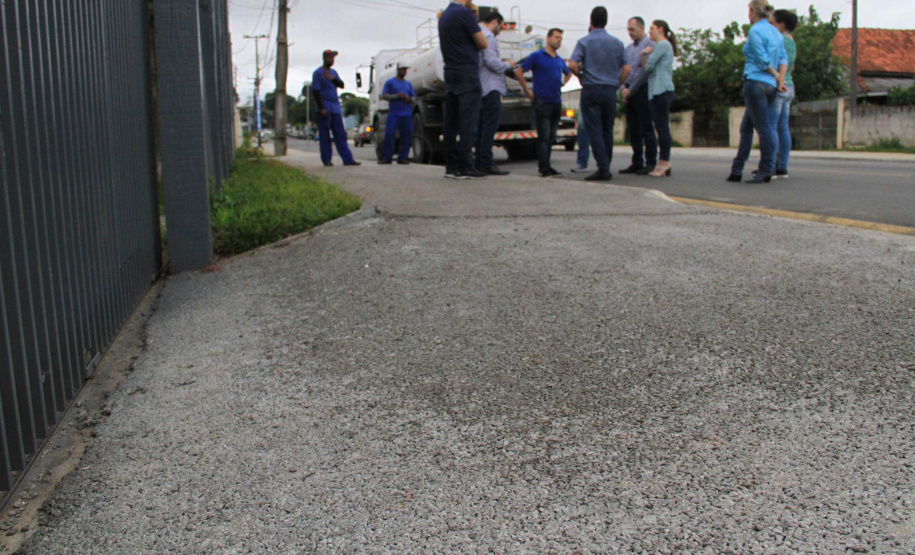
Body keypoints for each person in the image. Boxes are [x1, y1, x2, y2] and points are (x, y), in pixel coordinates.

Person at [727, 0, 787, 184]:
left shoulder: (755, 31)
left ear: (753, 11)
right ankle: (737, 169)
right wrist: (780, 79)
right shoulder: (775, 33)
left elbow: (762, 60)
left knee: (764, 128)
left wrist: (776, 75)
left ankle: (766, 169)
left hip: (756, 82)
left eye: (749, 11)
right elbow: (783, 58)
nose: (748, 14)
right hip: (770, 86)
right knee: (747, 127)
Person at [569, 7, 630, 182]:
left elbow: (572, 64)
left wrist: (581, 76)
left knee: (593, 129)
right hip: (610, 90)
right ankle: (606, 165)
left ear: (591, 21)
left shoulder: (584, 42)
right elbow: (627, 68)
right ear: (606, 21)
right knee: (607, 130)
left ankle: (603, 168)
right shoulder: (617, 43)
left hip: (591, 88)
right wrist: (617, 83)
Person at [439, 0, 489, 179]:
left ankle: (451, 167)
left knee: (451, 122)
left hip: (450, 71)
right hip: (467, 71)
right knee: (468, 121)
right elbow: (483, 43)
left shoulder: (444, 16)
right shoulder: (464, 14)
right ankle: (465, 165)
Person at [515, 28, 571, 177]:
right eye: (556, 37)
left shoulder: (559, 60)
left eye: (561, 38)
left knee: (552, 136)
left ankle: (548, 165)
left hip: (556, 101)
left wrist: (563, 83)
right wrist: (528, 91)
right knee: (544, 136)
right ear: (548, 38)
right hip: (542, 101)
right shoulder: (537, 56)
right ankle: (543, 167)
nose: (559, 40)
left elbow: (569, 72)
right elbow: (519, 71)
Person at [475, 11, 516, 175]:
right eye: (500, 25)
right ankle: (486, 163)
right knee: (489, 127)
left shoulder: (479, 35)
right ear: (494, 22)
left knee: (482, 127)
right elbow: (491, 62)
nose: (500, 30)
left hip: (482, 87)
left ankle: (480, 162)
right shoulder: (489, 37)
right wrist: (508, 65)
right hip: (491, 88)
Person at [619, 17, 658, 175]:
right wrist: (622, 88)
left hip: (642, 89)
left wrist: (631, 89)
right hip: (628, 91)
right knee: (633, 129)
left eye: (632, 29)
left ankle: (650, 162)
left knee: (646, 128)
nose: (630, 33)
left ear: (641, 28)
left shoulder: (650, 45)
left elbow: (645, 72)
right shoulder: (628, 49)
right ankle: (637, 161)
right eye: (628, 29)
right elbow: (623, 69)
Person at [311, 49, 361, 167]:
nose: (331, 60)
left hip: (335, 107)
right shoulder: (318, 73)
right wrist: (321, 107)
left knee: (340, 134)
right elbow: (316, 91)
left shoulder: (333, 72)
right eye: (329, 58)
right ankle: (327, 159)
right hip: (324, 106)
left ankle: (347, 159)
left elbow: (341, 85)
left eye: (333, 58)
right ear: (324, 58)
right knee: (325, 135)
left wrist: (332, 79)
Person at [641, 20, 677, 177]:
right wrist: (645, 55)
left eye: (652, 28)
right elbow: (647, 68)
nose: (649, 32)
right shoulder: (662, 46)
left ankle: (664, 161)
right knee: (660, 127)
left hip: (661, 90)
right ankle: (663, 162)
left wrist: (645, 53)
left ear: (661, 30)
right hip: (657, 90)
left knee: (662, 128)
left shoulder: (662, 45)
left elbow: (648, 67)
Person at [769, 9, 798, 179]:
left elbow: (778, 63)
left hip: (780, 85)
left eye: (772, 23)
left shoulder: (780, 39)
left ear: (781, 25)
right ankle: (782, 165)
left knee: (772, 127)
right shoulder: (792, 42)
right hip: (790, 85)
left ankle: (771, 164)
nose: (770, 26)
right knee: (783, 127)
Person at [379, 62, 415, 165]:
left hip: (406, 114)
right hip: (394, 113)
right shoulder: (390, 82)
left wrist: (409, 98)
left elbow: (414, 97)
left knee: (406, 135)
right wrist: (397, 96)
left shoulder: (408, 84)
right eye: (402, 69)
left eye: (405, 70)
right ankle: (387, 157)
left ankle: (403, 157)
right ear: (398, 70)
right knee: (390, 134)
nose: (403, 72)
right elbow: (385, 95)